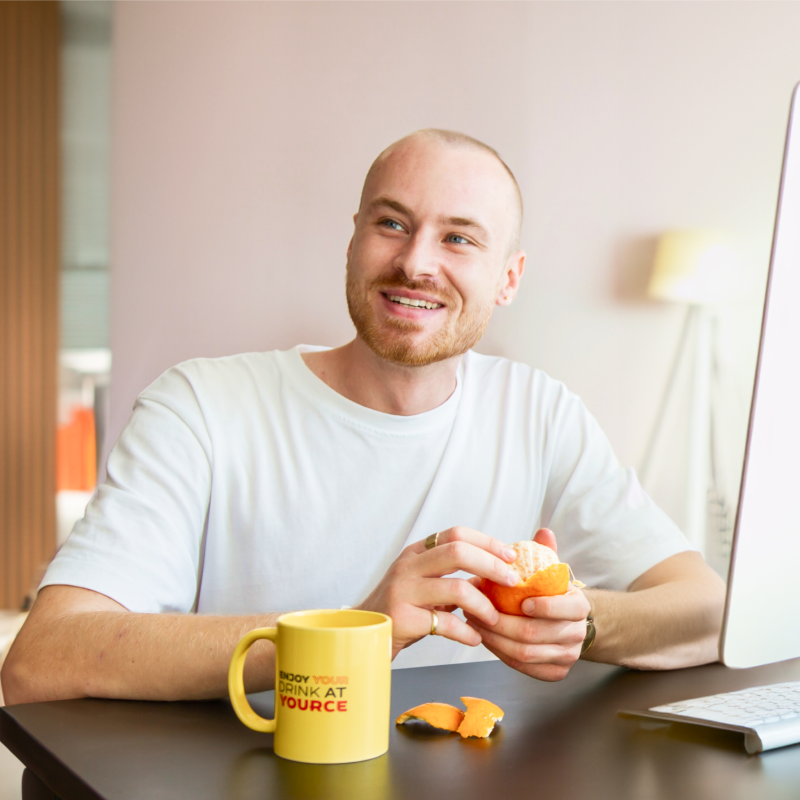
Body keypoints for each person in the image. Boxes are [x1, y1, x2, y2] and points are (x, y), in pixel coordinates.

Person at [1, 130, 725, 705]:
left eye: (459, 238)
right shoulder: (200, 405)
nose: (415, 263)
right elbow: (42, 659)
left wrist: (585, 622)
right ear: (353, 240)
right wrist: (354, 633)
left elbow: (706, 609)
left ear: (508, 278)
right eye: (392, 223)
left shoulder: (538, 411)